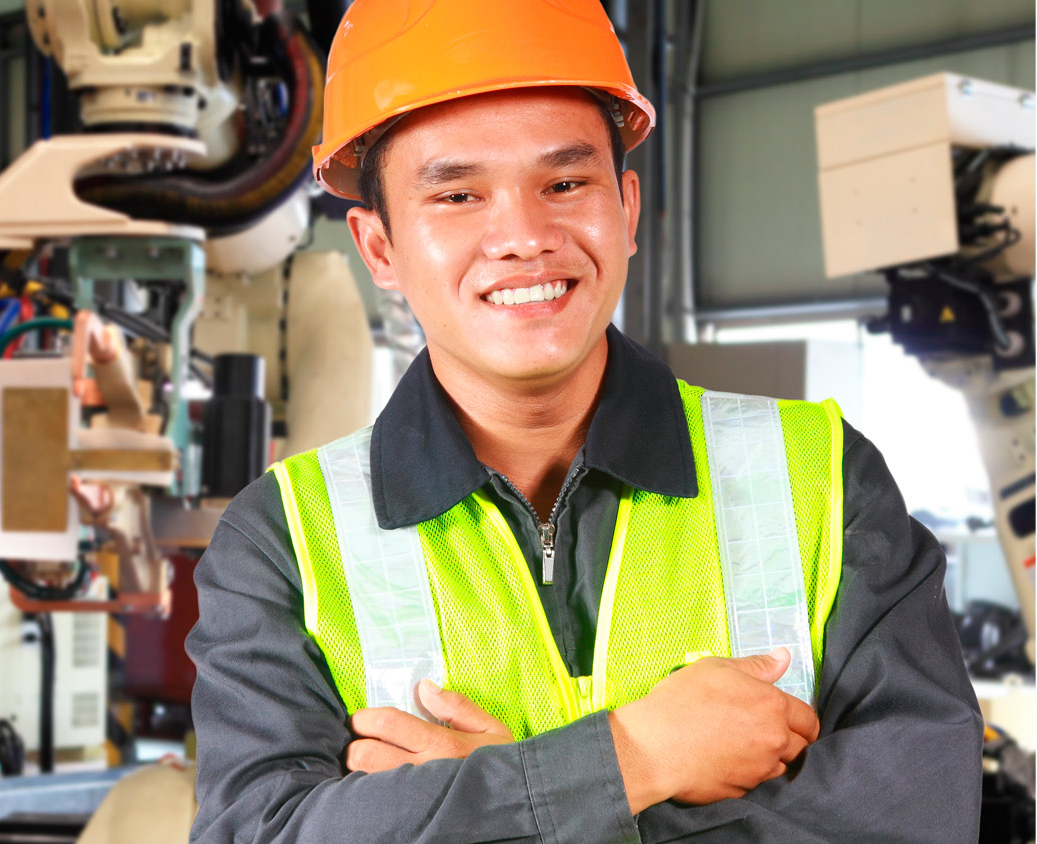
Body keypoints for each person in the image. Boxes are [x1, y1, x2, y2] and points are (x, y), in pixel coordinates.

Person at [186, 2, 984, 841]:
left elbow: (919, 813)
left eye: (565, 184)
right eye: (457, 195)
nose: (524, 237)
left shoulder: (818, 478)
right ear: (379, 248)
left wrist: (500, 805)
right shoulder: (283, 542)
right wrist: (634, 759)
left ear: (628, 209)